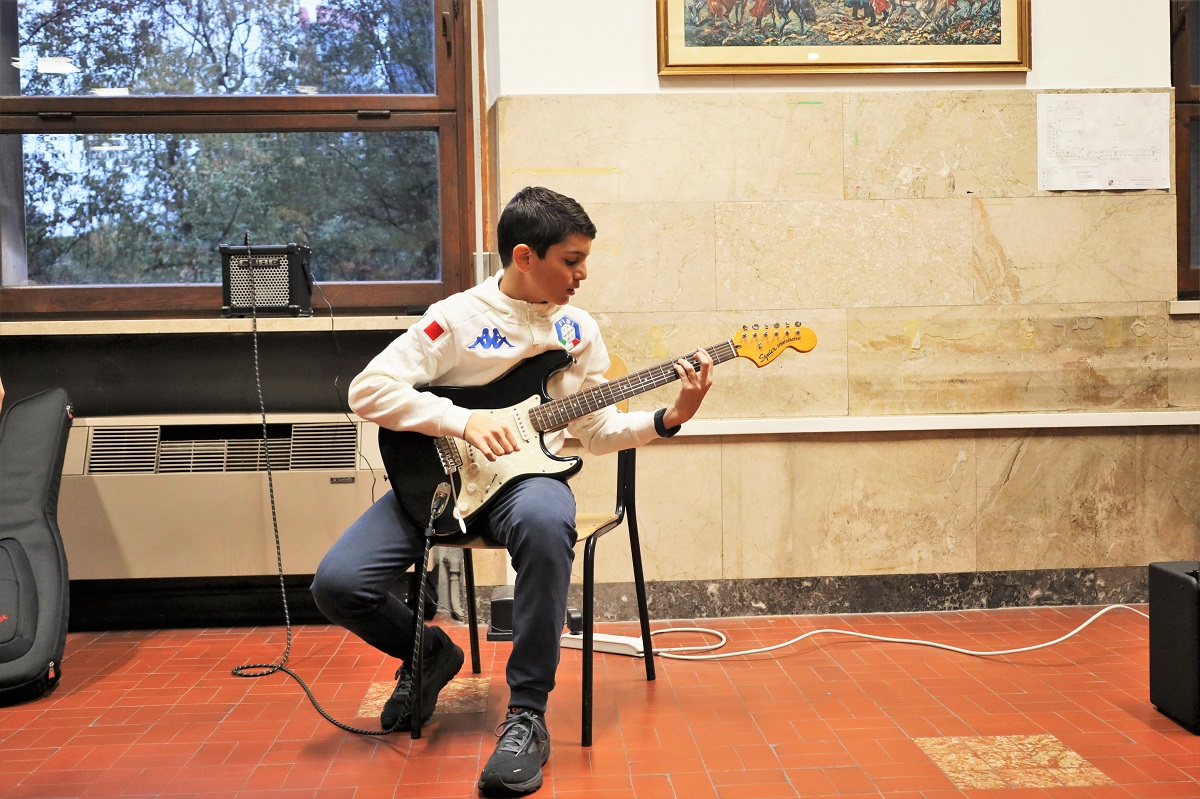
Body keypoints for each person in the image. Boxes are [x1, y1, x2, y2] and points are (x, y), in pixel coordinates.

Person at [310, 186, 714, 797]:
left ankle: (527, 713)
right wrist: (460, 420)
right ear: (525, 256)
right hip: (438, 484)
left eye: (585, 260)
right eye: (571, 260)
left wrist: (671, 416)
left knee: (549, 524)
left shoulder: (578, 330)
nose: (582, 274)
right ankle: (427, 653)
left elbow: (596, 432)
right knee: (338, 585)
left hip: (525, 484)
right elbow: (367, 390)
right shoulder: (456, 318)